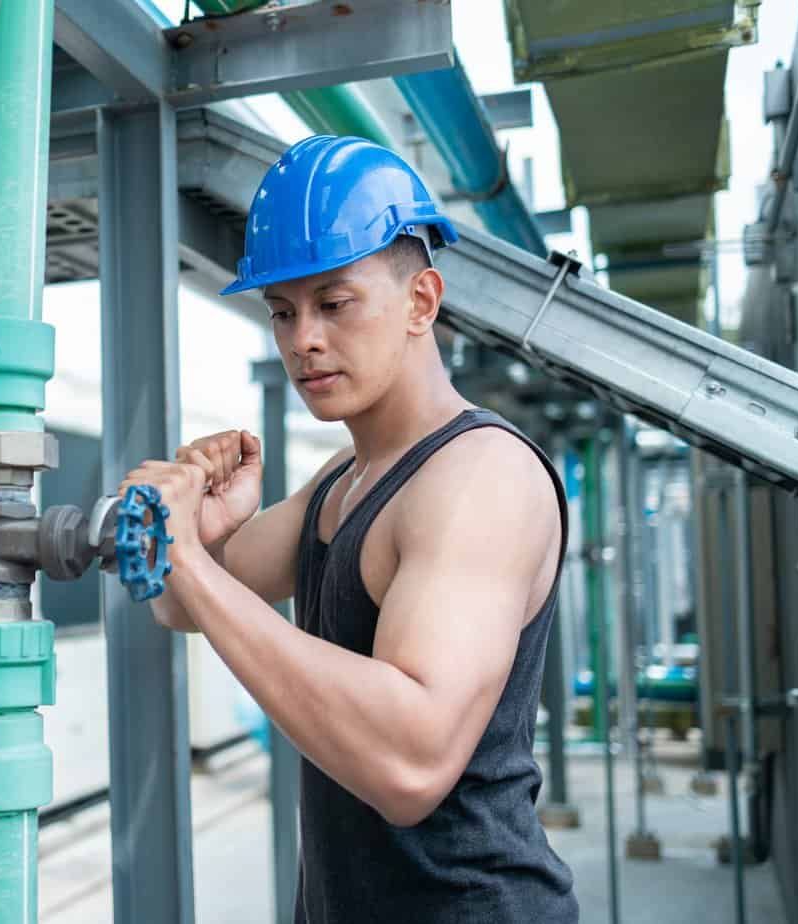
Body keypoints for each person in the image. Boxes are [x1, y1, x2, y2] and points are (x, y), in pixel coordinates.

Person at [120, 136, 579, 923]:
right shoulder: (344, 477)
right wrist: (212, 535)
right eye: (282, 312)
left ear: (421, 303)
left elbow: (412, 763)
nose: (304, 340)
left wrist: (192, 559)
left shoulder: (477, 478)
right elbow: (177, 604)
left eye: (335, 304)